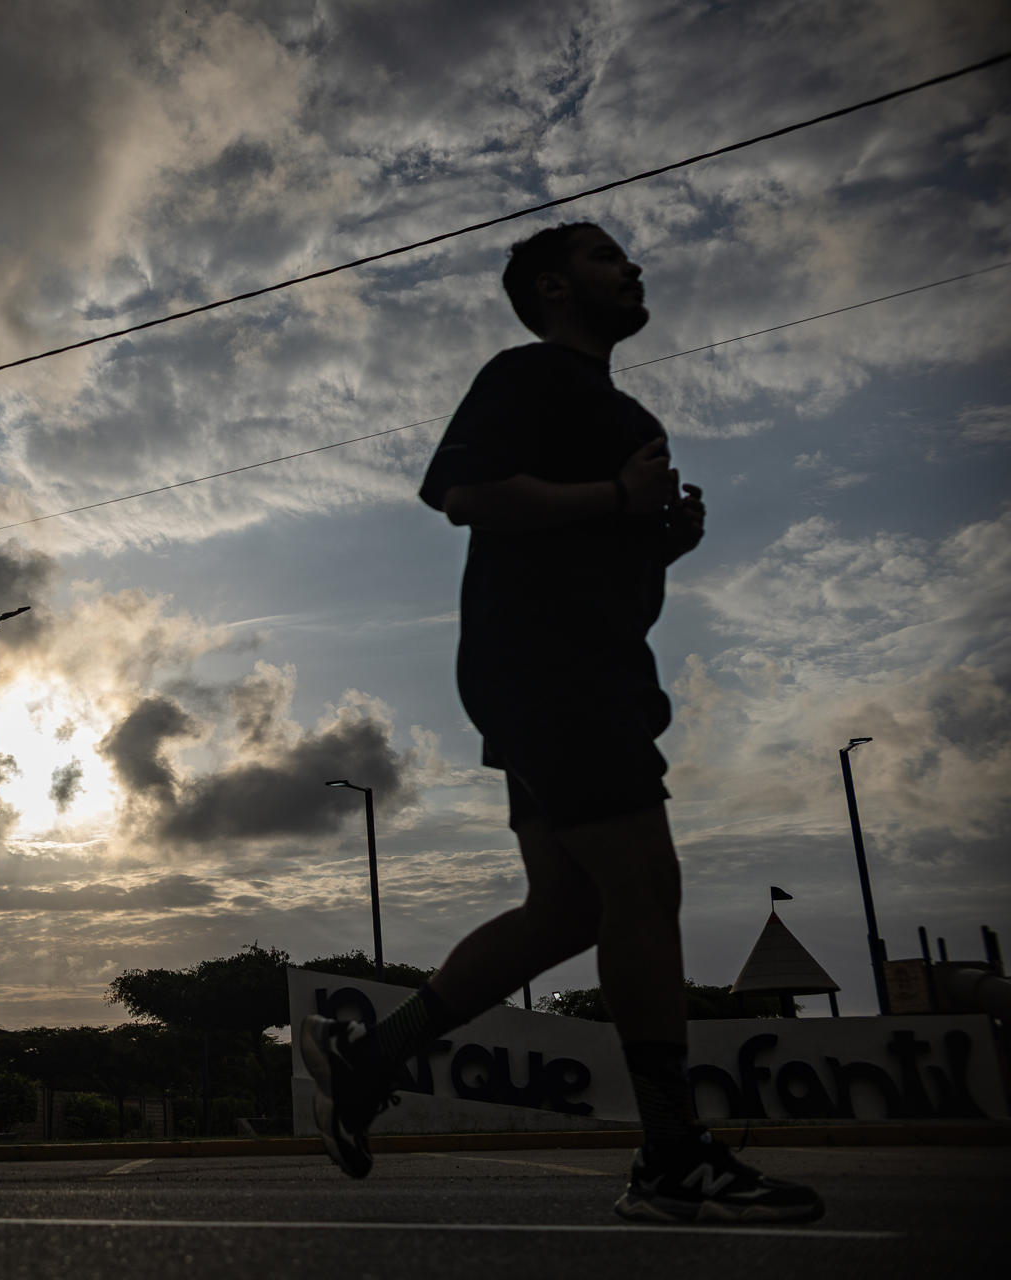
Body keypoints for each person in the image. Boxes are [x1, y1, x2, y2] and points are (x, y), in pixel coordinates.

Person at [299, 222, 824, 1225]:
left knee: (571, 909)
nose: (632, 267)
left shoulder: (626, 410)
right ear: (553, 285)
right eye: (605, 256)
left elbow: (609, 581)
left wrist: (661, 543)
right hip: (548, 670)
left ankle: (369, 1063)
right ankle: (673, 1153)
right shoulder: (530, 374)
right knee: (646, 882)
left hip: (588, 666)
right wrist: (612, 494)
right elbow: (466, 493)